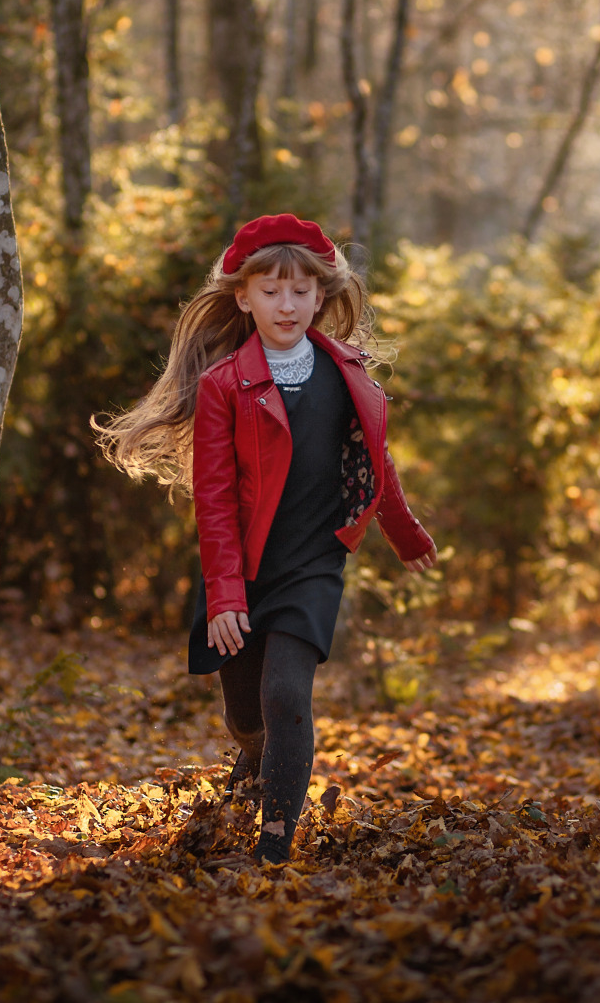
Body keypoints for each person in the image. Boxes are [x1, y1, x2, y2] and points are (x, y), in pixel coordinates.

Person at [94, 214, 436, 864]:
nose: (287, 304)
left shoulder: (348, 373)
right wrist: (226, 596)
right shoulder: (224, 385)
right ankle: (251, 755)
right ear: (243, 296)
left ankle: (273, 843)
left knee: (286, 695)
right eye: (271, 290)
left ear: (322, 296)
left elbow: (375, 458)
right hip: (241, 566)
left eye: (301, 291)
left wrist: (404, 530)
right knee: (247, 709)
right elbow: (216, 500)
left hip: (314, 561)